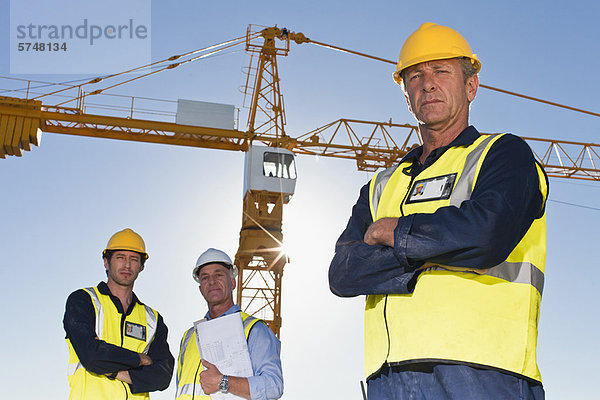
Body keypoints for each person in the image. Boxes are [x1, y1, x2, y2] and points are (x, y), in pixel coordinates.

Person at [329, 23, 548, 400]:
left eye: (441, 71)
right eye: (415, 76)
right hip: (388, 379)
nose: (427, 84)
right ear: (407, 96)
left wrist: (394, 233)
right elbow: (344, 273)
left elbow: (486, 237)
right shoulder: (382, 185)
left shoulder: (503, 154)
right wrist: (439, 249)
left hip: (484, 374)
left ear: (471, 87)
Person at [63, 228, 174, 400]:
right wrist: (139, 359)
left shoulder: (153, 319)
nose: (127, 265)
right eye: (120, 258)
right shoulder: (84, 300)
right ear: (106, 262)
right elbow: (91, 355)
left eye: (134, 259)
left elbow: (162, 376)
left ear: (142, 266)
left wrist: (114, 371)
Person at [175, 248, 283, 400]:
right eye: (205, 277)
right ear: (201, 289)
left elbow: (273, 387)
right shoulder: (189, 336)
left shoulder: (253, 329)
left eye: (218, 275)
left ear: (232, 282)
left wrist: (223, 382)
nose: (211, 281)